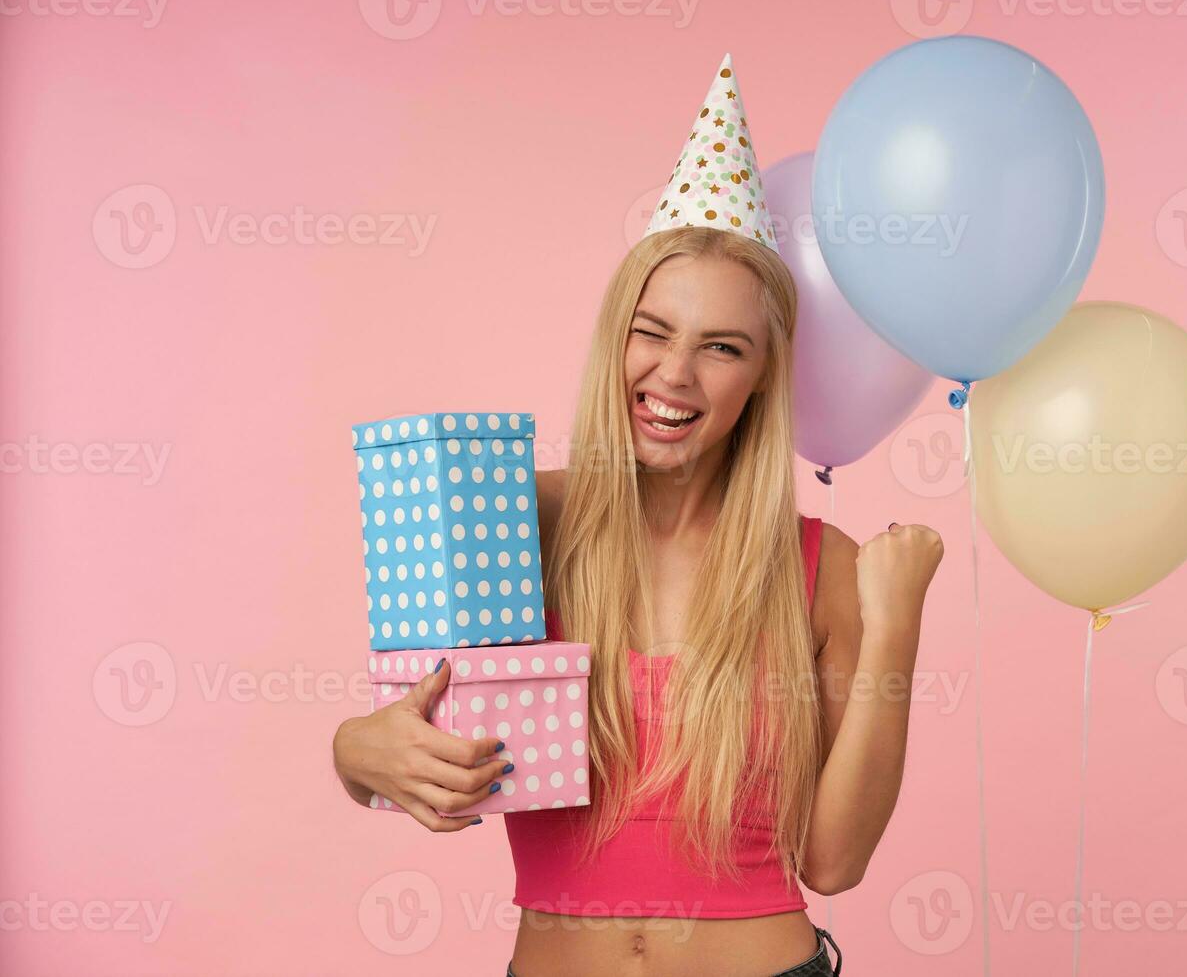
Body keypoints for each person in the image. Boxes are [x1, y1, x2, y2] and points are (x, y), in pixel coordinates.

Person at [332, 54, 943, 976]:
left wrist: (895, 628)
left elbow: (834, 859)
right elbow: (405, 730)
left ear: (761, 378)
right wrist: (355, 752)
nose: (675, 376)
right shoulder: (512, 522)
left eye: (721, 348)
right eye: (652, 332)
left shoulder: (821, 568)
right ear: (616, 337)